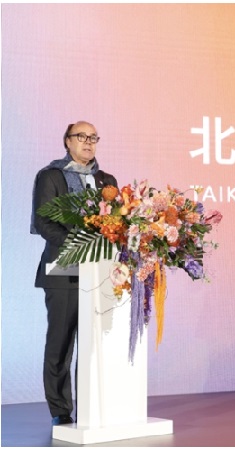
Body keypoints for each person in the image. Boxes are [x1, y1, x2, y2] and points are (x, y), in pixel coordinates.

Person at [31, 121, 118, 426]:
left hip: (101, 273)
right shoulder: (51, 176)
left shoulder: (106, 180)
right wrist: (80, 246)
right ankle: (60, 409)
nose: (88, 142)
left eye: (93, 137)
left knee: (97, 344)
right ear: (67, 141)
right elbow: (43, 222)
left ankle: (94, 406)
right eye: (81, 136)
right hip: (64, 269)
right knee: (61, 342)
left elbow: (117, 222)